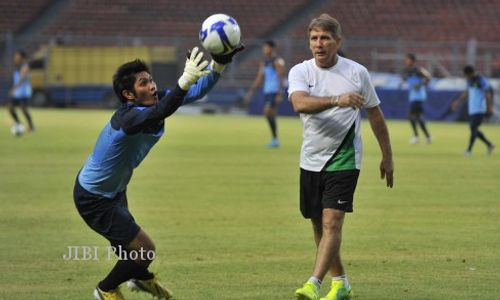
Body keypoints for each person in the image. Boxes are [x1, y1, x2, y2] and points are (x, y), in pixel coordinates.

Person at [73, 46, 242, 300]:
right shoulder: (128, 118)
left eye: (151, 80)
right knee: (144, 251)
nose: (151, 86)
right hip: (94, 198)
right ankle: (105, 289)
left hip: (115, 191)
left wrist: (218, 65)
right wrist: (183, 81)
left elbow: (191, 93)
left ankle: (139, 278)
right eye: (144, 83)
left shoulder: (150, 105)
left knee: (130, 251)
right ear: (128, 94)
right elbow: (163, 109)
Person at [288, 14, 394, 300]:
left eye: (325, 38)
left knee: (332, 223)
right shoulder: (301, 71)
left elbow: (375, 113)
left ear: (337, 41)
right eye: (314, 38)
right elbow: (299, 103)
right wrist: (337, 100)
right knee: (317, 224)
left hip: (344, 159)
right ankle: (342, 283)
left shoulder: (357, 73)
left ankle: (313, 283)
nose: (319, 44)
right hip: (310, 159)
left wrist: (387, 156)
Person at [244, 40, 285, 148]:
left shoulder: (278, 61)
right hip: (267, 91)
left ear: (272, 48)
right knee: (269, 114)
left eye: (266, 47)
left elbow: (281, 77)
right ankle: (275, 139)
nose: (264, 50)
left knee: (267, 112)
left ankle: (275, 139)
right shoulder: (265, 62)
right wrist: (251, 91)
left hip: (274, 91)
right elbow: (259, 77)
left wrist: (280, 93)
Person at [452, 65, 495, 156]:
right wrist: (458, 101)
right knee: (474, 129)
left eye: (465, 75)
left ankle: (469, 150)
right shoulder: (469, 80)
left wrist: (489, 107)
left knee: (473, 127)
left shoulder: (481, 80)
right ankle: (489, 144)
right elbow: (467, 92)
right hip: (473, 108)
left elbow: (487, 93)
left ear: (469, 73)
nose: (465, 77)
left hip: (480, 108)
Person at [402, 53, 432, 144]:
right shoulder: (407, 71)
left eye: (407, 59)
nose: (406, 61)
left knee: (410, 115)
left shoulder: (418, 70)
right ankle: (427, 136)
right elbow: (405, 79)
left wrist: (420, 85)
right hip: (413, 96)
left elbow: (428, 77)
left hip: (418, 97)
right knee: (418, 118)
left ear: (412, 61)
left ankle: (416, 136)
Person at [8, 50, 35, 134]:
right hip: (17, 92)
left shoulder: (24, 67)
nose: (15, 58)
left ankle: (31, 126)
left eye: (17, 56)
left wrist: (14, 89)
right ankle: (18, 123)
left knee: (23, 109)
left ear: (21, 57)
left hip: (24, 91)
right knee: (10, 108)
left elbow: (22, 79)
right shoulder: (17, 66)